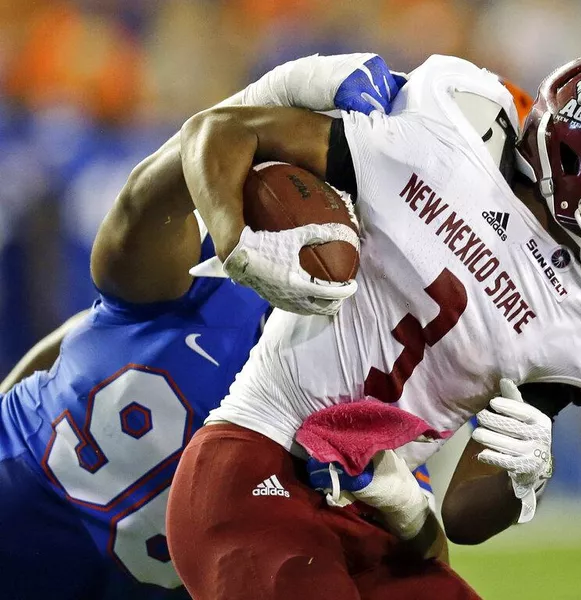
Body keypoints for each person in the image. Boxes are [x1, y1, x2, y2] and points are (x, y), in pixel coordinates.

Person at [165, 50, 581, 599]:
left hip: (374, 516)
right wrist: (233, 239)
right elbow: (219, 131)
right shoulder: (447, 141)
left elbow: (462, 515)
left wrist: (526, 474)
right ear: (579, 159)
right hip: (256, 458)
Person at [0, 53, 404, 600]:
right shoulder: (191, 277)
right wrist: (269, 98)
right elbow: (147, 199)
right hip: (23, 499)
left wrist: (411, 508)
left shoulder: (362, 384)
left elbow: (413, 565)